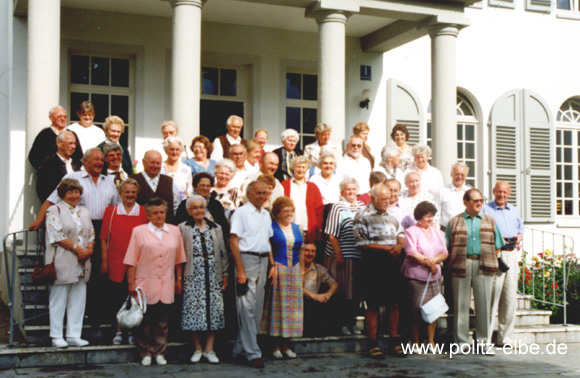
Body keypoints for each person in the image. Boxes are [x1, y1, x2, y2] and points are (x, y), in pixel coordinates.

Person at [30, 148, 121, 325]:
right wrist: (40, 219)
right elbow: (51, 200)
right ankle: (72, 320)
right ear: (85, 161)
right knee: (75, 274)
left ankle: (97, 316)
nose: (99, 163)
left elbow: (117, 206)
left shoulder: (109, 181)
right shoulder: (73, 178)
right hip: (77, 230)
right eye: (95, 159)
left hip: (102, 231)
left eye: (102, 160)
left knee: (98, 274)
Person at [124, 197, 187, 367]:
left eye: (162, 212)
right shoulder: (139, 231)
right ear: (148, 215)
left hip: (167, 282)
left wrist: (179, 279)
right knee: (145, 321)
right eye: (155, 213)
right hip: (144, 283)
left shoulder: (174, 231)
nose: (159, 216)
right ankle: (145, 352)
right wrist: (131, 283)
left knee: (162, 321)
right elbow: (131, 260)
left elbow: (179, 259)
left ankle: (159, 352)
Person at [446, 189, 504, 351]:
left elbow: (497, 245)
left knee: (484, 305)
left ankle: (484, 343)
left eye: (481, 200)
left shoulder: (490, 221)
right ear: (465, 202)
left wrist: (486, 257)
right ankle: (461, 343)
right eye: (475, 200)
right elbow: (447, 246)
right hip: (460, 265)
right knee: (461, 305)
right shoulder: (454, 221)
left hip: (483, 266)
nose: (479, 203)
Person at [353, 184, 405, 359]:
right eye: (383, 199)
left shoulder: (391, 215)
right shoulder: (362, 216)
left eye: (388, 198)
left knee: (395, 303)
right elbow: (360, 242)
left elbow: (401, 232)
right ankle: (373, 343)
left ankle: (394, 341)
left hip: (392, 263)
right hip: (373, 263)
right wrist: (385, 248)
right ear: (373, 199)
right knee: (373, 304)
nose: (387, 202)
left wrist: (398, 245)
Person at [230, 181, 275, 369]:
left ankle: (239, 350)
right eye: (259, 193)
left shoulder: (266, 214)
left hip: (263, 261)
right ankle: (253, 353)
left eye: (265, 193)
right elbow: (233, 241)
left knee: (256, 310)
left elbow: (268, 240)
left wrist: (272, 264)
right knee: (246, 309)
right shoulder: (241, 213)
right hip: (246, 261)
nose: (262, 196)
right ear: (249, 193)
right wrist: (240, 269)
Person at [179, 195, 229, 365]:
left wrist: (225, 274)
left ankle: (210, 348)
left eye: (201, 207)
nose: (199, 210)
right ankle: (197, 348)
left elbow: (223, 253)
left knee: (213, 310)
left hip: (213, 274)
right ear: (189, 211)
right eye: (194, 208)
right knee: (193, 310)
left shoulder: (216, 227)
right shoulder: (182, 228)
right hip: (192, 274)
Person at [45, 179, 94, 348]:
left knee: (78, 300)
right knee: (58, 299)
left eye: (77, 192)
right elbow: (56, 235)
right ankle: (56, 336)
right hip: (63, 260)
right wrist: (77, 249)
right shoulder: (54, 210)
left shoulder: (84, 212)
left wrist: (88, 249)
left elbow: (91, 234)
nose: (74, 196)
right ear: (62, 194)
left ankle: (74, 335)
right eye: (70, 192)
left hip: (82, 262)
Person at [100, 178, 148, 345]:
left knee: (134, 297)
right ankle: (119, 331)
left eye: (133, 192)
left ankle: (133, 331)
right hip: (116, 261)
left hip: (137, 263)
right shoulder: (111, 211)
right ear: (120, 193)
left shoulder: (143, 212)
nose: (130, 195)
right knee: (117, 298)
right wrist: (104, 261)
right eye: (126, 192)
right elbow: (104, 239)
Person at [259, 197, 304, 359]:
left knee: (292, 309)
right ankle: (274, 346)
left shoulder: (296, 227)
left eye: (291, 211)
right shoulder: (272, 227)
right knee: (278, 308)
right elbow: (268, 247)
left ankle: (286, 345)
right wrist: (272, 265)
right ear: (277, 213)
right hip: (279, 269)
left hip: (295, 270)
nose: (289, 214)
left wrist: (303, 271)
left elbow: (302, 249)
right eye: (285, 211)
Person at [401, 201, 448, 351]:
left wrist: (434, 261)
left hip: (434, 278)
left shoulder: (438, 232)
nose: (430, 219)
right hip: (416, 277)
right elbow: (411, 252)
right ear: (419, 217)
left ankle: (431, 341)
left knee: (433, 310)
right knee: (416, 310)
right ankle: (415, 342)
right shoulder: (411, 231)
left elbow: (444, 252)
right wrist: (429, 263)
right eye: (427, 216)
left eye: (432, 216)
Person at [482, 181, 524, 347]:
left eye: (505, 192)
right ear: (494, 192)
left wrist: (518, 237)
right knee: (492, 298)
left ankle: (505, 338)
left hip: (511, 255)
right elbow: (482, 231)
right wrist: (498, 240)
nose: (501, 195)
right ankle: (485, 338)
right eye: (499, 191)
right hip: (495, 255)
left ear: (509, 193)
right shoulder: (486, 209)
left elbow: (521, 230)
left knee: (509, 298)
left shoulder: (514, 210)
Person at [323, 177, 365, 336]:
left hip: (358, 255)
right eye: (348, 189)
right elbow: (331, 234)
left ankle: (352, 322)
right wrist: (339, 254)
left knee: (355, 292)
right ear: (342, 192)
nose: (351, 192)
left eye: (354, 189)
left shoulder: (362, 206)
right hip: (342, 255)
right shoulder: (337, 207)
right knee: (342, 291)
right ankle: (341, 324)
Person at [281, 156, 324, 241]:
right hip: (288, 228)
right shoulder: (284, 185)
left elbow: (319, 211)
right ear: (293, 168)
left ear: (307, 169)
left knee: (306, 253)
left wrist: (317, 229)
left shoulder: (313, 187)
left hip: (307, 229)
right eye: (298, 167)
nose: (300, 170)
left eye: (303, 167)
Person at [28, 106, 83, 171]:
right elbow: (33, 156)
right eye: (59, 116)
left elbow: (79, 156)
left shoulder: (71, 134)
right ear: (51, 118)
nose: (62, 119)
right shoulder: (44, 135)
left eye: (65, 117)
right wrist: (43, 169)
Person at [302, 241, 339, 337]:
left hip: (313, 305)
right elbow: (296, 288)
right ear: (301, 252)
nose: (310, 254)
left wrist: (328, 294)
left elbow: (334, 284)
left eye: (313, 251)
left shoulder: (318, 268)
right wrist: (314, 296)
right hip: (298, 304)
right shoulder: (294, 268)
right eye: (307, 250)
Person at [131, 150, 181, 221]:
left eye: (158, 163)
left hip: (165, 227)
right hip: (141, 226)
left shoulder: (169, 181)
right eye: (152, 162)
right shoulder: (132, 180)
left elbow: (176, 206)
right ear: (143, 162)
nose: (155, 166)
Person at [36, 130, 82, 202]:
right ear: (59, 143)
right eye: (70, 143)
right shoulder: (48, 163)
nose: (73, 146)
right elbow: (42, 191)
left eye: (74, 144)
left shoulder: (76, 164)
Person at [437, 162, 470, 230]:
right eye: (457, 174)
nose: (459, 177)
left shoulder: (470, 192)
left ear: (466, 176)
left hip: (466, 231)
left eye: (462, 174)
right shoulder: (442, 191)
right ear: (451, 174)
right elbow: (436, 213)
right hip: (446, 231)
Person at [161, 136, 193, 201]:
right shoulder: (159, 167)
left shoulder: (187, 169)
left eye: (177, 149)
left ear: (181, 151)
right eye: (171, 149)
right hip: (163, 206)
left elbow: (189, 191)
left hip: (181, 206)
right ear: (166, 151)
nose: (174, 152)